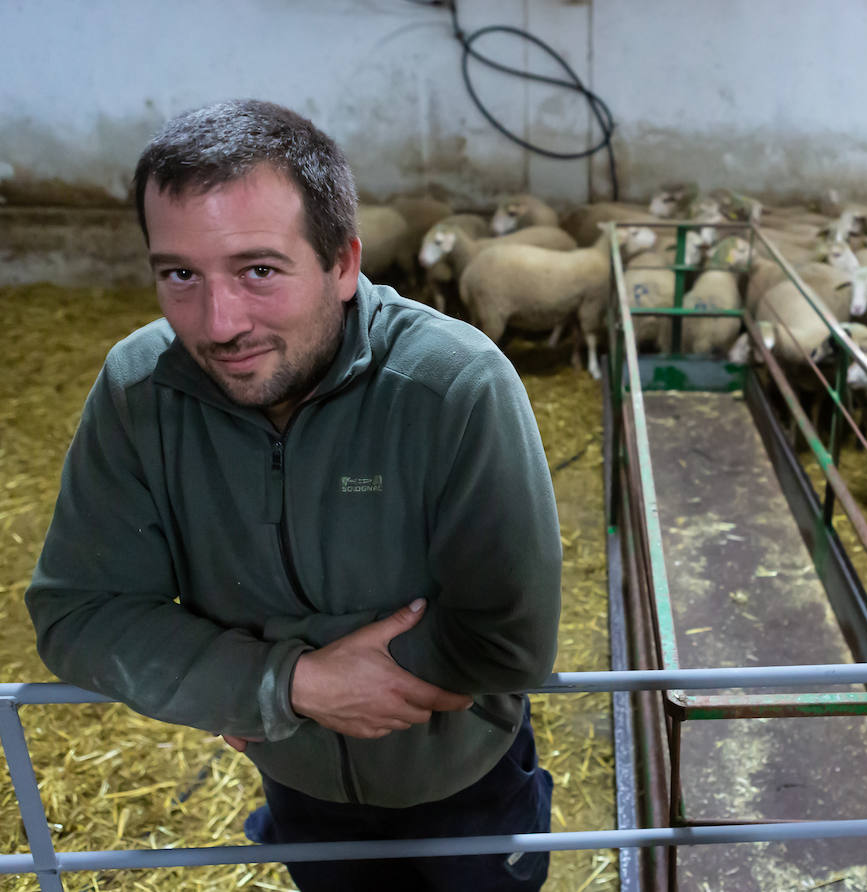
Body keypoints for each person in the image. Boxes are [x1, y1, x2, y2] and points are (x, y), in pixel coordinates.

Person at [25, 99, 563, 891]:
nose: (217, 324)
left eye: (258, 271)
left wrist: (228, 675)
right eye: (179, 275)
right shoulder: (141, 392)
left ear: (344, 264)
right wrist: (285, 686)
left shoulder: (451, 386)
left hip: (463, 784)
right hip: (297, 783)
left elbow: (509, 641)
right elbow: (79, 612)